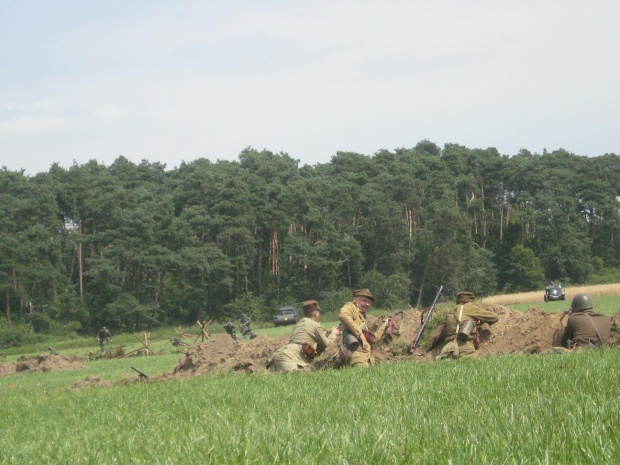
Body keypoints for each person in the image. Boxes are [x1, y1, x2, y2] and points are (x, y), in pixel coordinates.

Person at [267, 300, 340, 373]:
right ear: (316, 314)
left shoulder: (298, 324)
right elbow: (326, 344)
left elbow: (306, 337)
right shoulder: (315, 325)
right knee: (297, 376)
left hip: (280, 353)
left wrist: (327, 333)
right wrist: (333, 334)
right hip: (289, 357)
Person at [436, 291, 498, 360]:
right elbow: (494, 317)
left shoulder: (453, 311)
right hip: (464, 348)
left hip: (447, 349)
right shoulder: (470, 307)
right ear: (471, 300)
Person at [338, 288, 388, 367]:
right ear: (355, 299)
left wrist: (386, 324)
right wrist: (360, 335)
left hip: (366, 356)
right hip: (357, 355)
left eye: (369, 302)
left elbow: (373, 338)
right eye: (364, 301)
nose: (367, 304)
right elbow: (343, 315)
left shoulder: (362, 316)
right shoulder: (351, 307)